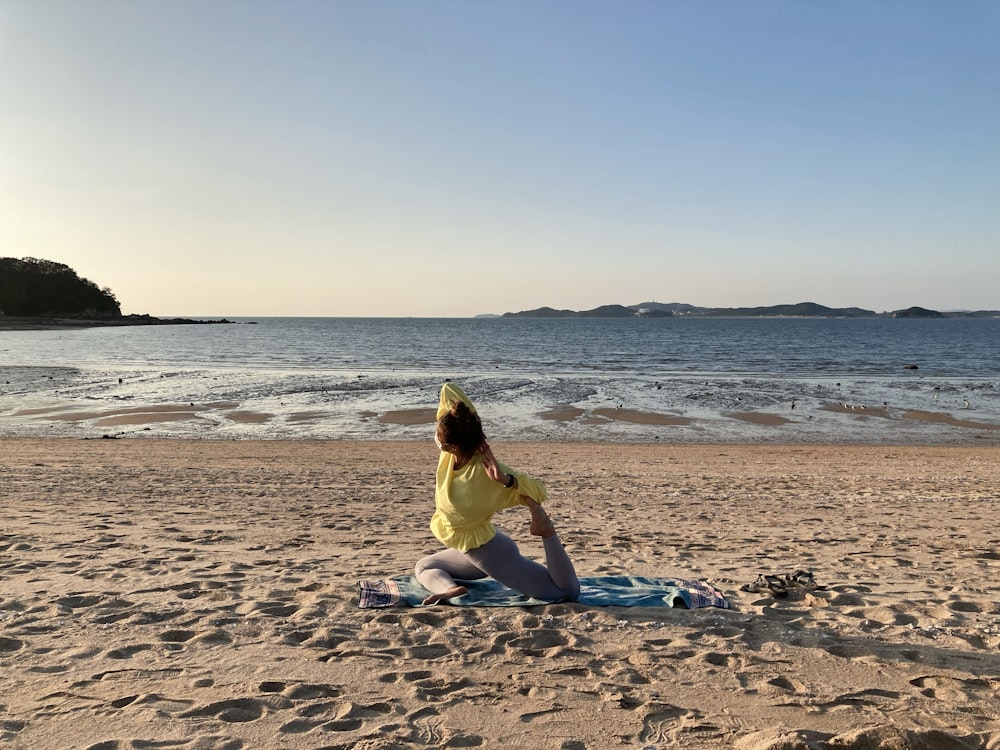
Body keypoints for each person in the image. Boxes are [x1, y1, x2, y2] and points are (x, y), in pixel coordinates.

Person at [414, 382, 580, 605]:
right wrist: (462, 416)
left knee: (566, 592)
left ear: (453, 446)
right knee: (424, 566)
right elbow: (448, 389)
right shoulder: (451, 454)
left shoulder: (483, 474)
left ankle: (547, 532)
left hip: (491, 554)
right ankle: (451, 589)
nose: (436, 436)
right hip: (469, 548)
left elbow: (540, 492)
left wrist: (506, 480)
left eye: (439, 435)